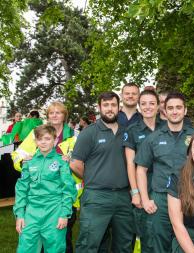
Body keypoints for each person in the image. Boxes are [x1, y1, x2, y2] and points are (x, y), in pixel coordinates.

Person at [12, 102, 82, 253]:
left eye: (48, 139)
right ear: (35, 141)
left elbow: (68, 188)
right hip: (31, 212)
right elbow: (21, 189)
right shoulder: (29, 162)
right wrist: (20, 214)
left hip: (55, 211)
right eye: (40, 139)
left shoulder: (68, 148)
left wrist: (64, 214)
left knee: (57, 247)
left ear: (54, 140)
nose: (44, 142)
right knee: (26, 248)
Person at [71, 91, 134, 253]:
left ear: (119, 107)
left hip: (124, 198)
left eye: (113, 105)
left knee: (124, 244)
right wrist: (93, 177)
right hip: (96, 197)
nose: (109, 108)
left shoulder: (127, 131)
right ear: (99, 108)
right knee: (89, 244)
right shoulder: (89, 132)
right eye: (105, 105)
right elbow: (75, 163)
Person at [135, 92, 194, 253]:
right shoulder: (153, 138)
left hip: (188, 196)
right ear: (164, 111)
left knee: (187, 243)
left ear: (185, 110)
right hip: (160, 199)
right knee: (158, 244)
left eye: (178, 107)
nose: (174, 111)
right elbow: (141, 169)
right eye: (170, 108)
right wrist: (145, 199)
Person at [125, 89, 161, 253]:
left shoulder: (167, 127)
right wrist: (135, 192)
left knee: (166, 234)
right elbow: (130, 164)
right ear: (139, 107)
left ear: (158, 106)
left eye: (152, 103)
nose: (148, 107)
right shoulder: (132, 131)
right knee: (146, 235)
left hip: (164, 188)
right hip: (143, 187)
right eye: (144, 104)